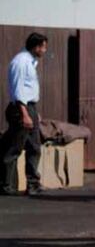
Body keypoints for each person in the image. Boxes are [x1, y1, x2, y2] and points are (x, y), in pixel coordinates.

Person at [1, 32, 48, 196]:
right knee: (14, 148)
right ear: (36, 47)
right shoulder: (21, 62)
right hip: (21, 108)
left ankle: (33, 184)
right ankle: (7, 185)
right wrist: (25, 114)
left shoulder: (30, 61)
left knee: (34, 146)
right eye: (43, 47)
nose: (44, 50)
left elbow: (28, 91)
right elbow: (18, 90)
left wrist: (34, 113)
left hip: (29, 108)